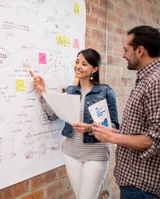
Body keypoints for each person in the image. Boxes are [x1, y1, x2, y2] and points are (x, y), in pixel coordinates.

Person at [91, 25, 160, 199]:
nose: (123, 55)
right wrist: (118, 133)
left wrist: (112, 138)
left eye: (126, 50)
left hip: (142, 186)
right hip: (136, 183)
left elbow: (158, 138)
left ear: (140, 51)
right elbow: (146, 129)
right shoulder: (149, 78)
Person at [29, 48, 119, 199]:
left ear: (94, 69)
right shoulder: (70, 91)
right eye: (77, 62)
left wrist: (91, 127)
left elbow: (115, 126)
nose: (78, 66)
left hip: (95, 155)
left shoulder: (105, 91)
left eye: (84, 64)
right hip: (71, 154)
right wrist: (43, 91)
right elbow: (53, 116)